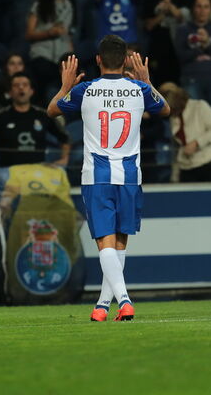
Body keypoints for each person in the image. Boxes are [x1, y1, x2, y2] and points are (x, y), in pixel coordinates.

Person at [48, 39, 170, 322]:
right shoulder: (139, 90)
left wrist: (65, 86)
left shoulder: (85, 90)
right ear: (126, 61)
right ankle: (103, 306)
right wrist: (147, 80)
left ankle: (124, 300)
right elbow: (164, 109)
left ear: (99, 60)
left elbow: (52, 110)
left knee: (105, 242)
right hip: (129, 177)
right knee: (119, 243)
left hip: (98, 176)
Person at [0, 72, 69, 173]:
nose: (21, 88)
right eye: (16, 85)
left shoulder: (43, 115)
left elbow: (65, 138)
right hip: (8, 172)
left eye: (25, 85)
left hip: (37, 172)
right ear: (10, 92)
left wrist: (64, 159)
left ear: (31, 91)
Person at [174, 0, 211, 118]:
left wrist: (207, 43)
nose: (202, 10)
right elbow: (181, 56)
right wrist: (201, 47)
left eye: (206, 7)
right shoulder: (183, 29)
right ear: (193, 9)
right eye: (199, 6)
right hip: (191, 80)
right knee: (192, 119)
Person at [162, 82, 211, 183]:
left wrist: (197, 143)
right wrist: (175, 176)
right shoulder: (174, 117)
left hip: (209, 163)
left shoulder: (199, 106)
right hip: (185, 166)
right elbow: (176, 148)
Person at [26, 0, 73, 101]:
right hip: (42, 55)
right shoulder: (40, 3)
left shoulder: (69, 5)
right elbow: (28, 34)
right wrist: (49, 33)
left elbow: (68, 34)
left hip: (62, 58)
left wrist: (72, 57)